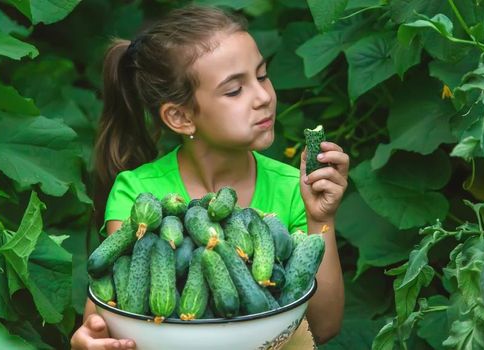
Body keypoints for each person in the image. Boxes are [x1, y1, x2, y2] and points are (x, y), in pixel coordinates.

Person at [70, 5, 347, 349]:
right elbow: (122, 310)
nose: (263, 97)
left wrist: (322, 218)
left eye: (262, 76)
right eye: (234, 91)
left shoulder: (294, 187)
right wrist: (90, 339)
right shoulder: (138, 192)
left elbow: (324, 325)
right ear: (181, 117)